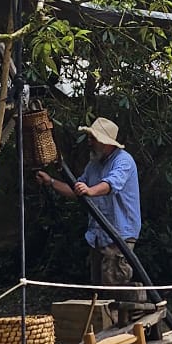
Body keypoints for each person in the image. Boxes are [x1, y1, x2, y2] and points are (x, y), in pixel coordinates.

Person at [36, 116, 142, 287]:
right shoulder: (93, 165)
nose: (89, 142)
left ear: (105, 142)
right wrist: (51, 182)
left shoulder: (123, 161)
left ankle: (122, 305)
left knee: (114, 285)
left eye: (93, 138)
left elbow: (111, 184)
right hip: (99, 235)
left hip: (119, 234)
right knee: (98, 287)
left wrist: (90, 190)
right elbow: (77, 190)